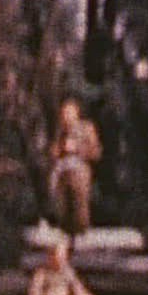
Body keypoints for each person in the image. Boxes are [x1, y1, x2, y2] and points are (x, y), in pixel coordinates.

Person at [49, 99, 103, 233]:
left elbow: (96, 152)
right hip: (62, 171)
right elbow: (53, 151)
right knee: (62, 209)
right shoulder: (60, 131)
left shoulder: (87, 128)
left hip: (79, 169)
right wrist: (58, 150)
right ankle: (65, 231)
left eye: (69, 113)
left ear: (76, 113)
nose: (66, 117)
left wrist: (77, 149)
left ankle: (81, 232)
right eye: (64, 114)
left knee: (79, 209)